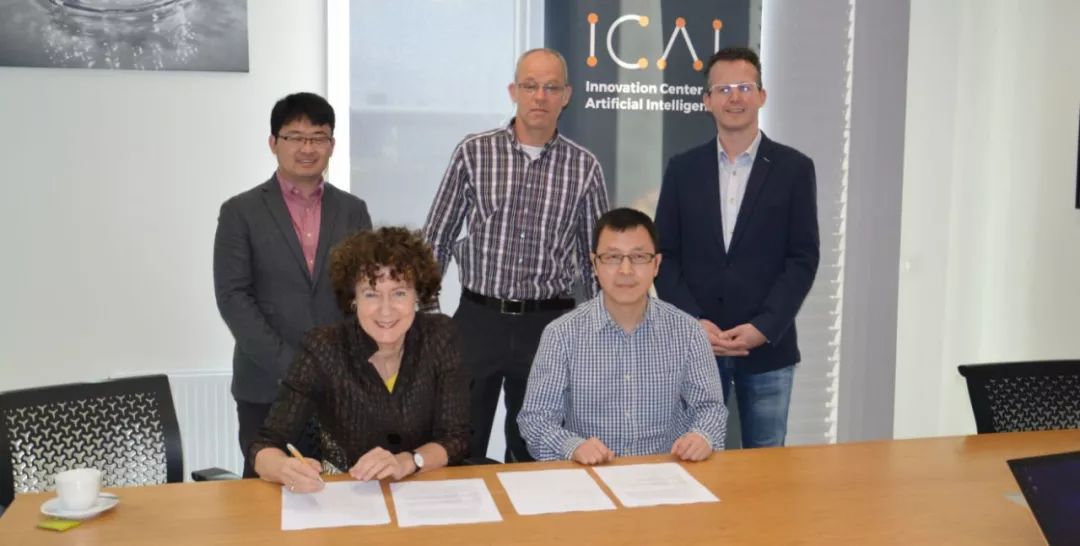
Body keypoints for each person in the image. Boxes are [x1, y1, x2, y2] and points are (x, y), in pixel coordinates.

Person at [423, 48, 609, 462]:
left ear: (566, 95)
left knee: (536, 451)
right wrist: (430, 322)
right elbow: (436, 239)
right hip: (478, 320)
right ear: (513, 91)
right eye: (530, 86)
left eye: (551, 87)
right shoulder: (474, 153)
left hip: (548, 326)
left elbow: (595, 261)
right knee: (458, 443)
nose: (540, 96)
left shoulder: (585, 167)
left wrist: (599, 335)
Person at [654, 47, 819, 448]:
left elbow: (802, 258)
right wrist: (693, 322)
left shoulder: (795, 169)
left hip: (767, 351)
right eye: (723, 89)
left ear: (762, 95)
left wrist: (764, 327)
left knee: (766, 469)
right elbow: (665, 256)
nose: (735, 98)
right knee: (691, 460)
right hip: (696, 347)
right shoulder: (682, 169)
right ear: (707, 101)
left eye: (745, 87)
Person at [213, 92, 372, 477]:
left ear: (332, 145)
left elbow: (364, 294)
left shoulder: (353, 210)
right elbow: (233, 298)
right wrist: (294, 367)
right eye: (295, 137)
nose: (307, 148)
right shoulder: (240, 212)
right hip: (267, 384)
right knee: (267, 491)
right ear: (274, 142)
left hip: (338, 385)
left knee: (345, 491)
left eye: (318, 137)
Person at [249, 227, 470, 492]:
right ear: (354, 299)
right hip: (346, 493)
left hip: (421, 492)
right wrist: (283, 468)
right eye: (371, 294)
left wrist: (410, 461)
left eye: (399, 293)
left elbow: (456, 437)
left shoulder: (440, 337)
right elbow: (264, 446)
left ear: (418, 296)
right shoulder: (324, 348)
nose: (386, 309)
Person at [518, 208, 727, 464]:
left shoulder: (688, 331)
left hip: (666, 473)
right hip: (590, 474)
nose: (626, 270)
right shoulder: (561, 335)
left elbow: (711, 408)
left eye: (638, 257)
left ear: (656, 264)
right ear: (594, 264)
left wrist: (702, 436)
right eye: (612, 257)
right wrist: (573, 447)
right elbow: (535, 419)